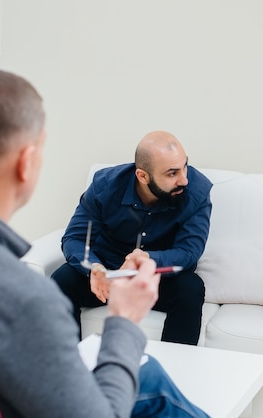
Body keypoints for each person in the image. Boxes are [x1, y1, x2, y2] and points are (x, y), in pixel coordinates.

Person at [0, 69, 209, 418]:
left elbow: (190, 253)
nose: (183, 178)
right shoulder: (29, 302)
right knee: (154, 385)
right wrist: (123, 323)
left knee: (155, 375)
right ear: (27, 163)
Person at [52, 130, 212, 345]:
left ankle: (175, 373)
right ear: (142, 176)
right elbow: (74, 237)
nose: (184, 179)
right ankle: (68, 369)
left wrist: (148, 258)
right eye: (172, 173)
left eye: (184, 166)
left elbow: (189, 252)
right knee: (62, 280)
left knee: (190, 288)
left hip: (156, 279)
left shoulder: (197, 191)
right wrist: (94, 268)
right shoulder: (105, 186)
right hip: (108, 276)